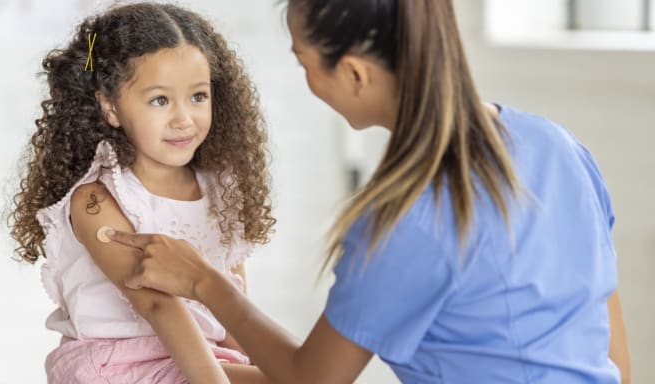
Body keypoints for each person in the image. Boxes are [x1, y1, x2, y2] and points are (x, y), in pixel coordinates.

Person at [105, 0, 633, 382]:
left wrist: (203, 281)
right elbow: (610, 346)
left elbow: (312, 379)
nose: (308, 81)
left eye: (304, 61)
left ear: (354, 73)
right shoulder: (555, 144)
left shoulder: (403, 217)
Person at [7, 3, 277, 383]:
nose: (184, 118)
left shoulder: (222, 190)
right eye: (160, 100)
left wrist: (252, 363)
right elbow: (155, 303)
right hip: (121, 365)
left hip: (200, 357)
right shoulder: (99, 200)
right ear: (110, 107)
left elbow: (233, 303)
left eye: (198, 96)